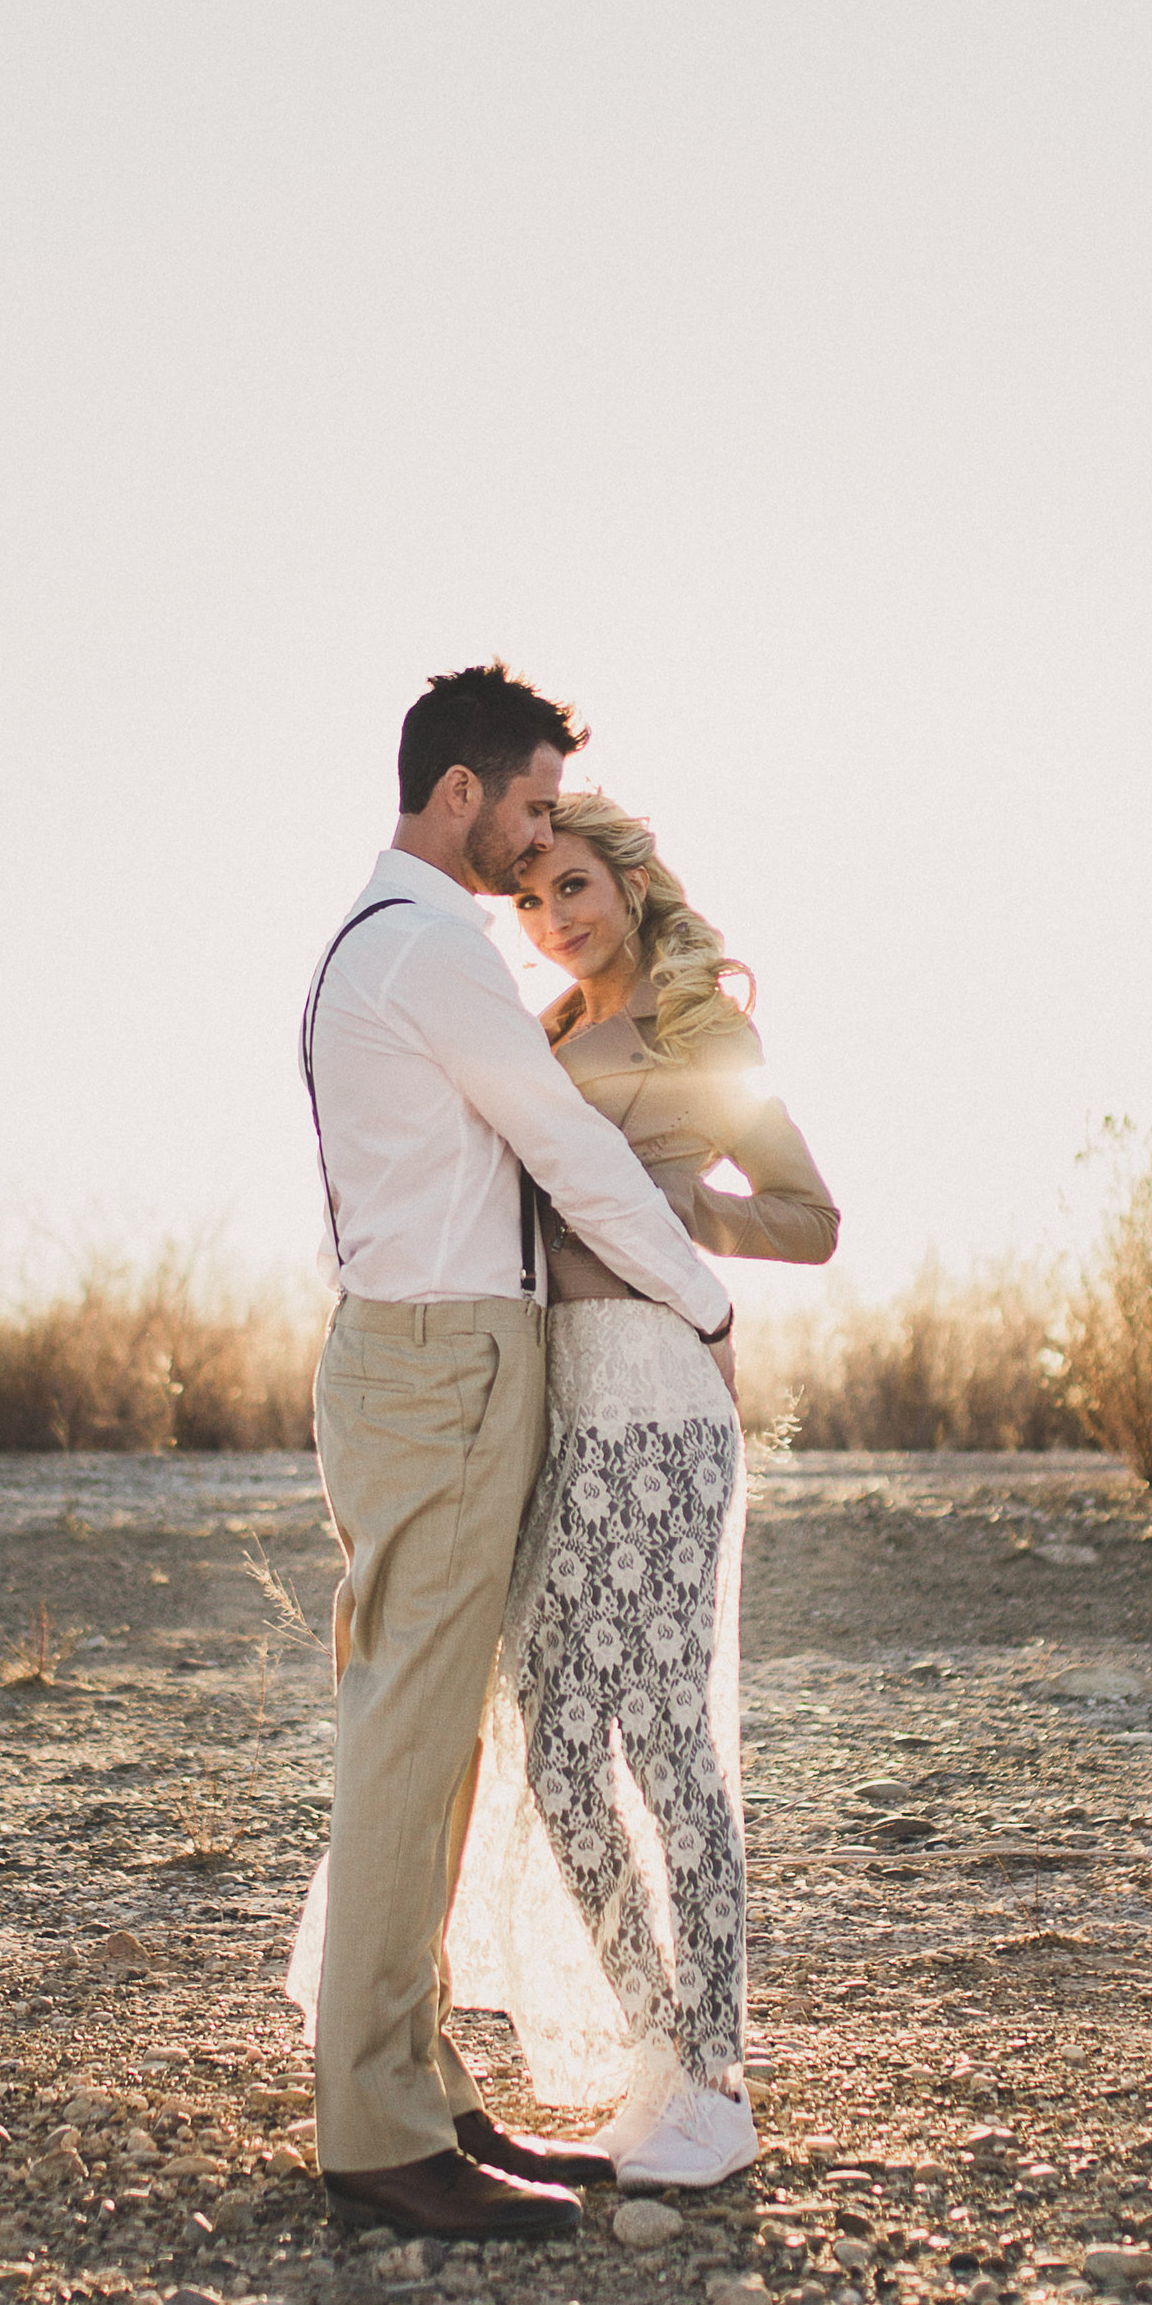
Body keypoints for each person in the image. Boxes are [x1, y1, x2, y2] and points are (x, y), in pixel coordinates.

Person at [291, 665, 741, 2248]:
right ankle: (378, 2130)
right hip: (444, 1361)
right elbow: (568, 1142)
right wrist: (702, 1297)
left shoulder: (381, 939)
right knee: (416, 1736)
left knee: (438, 1734)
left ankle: (413, 2085)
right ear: (462, 793)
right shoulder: (429, 950)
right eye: (533, 807)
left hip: (415, 1356)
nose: (543, 836)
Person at [447, 793, 838, 2190]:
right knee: (553, 1748)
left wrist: (681, 1207)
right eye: (533, 903)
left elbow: (813, 1217)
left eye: (571, 887)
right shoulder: (541, 1037)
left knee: (671, 1743)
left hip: (666, 1405)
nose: (556, 920)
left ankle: (720, 2082)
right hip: (561, 1407)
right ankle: (656, 2045)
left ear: (626, 878)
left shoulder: (696, 1031)